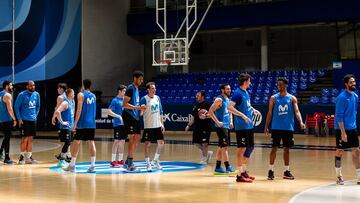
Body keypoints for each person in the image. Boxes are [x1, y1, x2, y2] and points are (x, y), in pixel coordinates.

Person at [264, 78, 305, 180]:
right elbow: (269, 112)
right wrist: (266, 126)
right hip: (276, 128)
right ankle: (271, 170)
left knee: (287, 149)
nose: (279, 86)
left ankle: (286, 171)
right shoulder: (273, 98)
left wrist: (300, 121)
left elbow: (297, 111)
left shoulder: (292, 98)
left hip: (288, 128)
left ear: (285, 85)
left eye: (281, 85)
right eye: (278, 85)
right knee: (274, 148)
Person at [208, 83, 252, 175]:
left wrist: (231, 121)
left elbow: (230, 111)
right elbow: (210, 112)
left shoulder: (228, 100)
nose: (229, 90)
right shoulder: (219, 99)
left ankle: (218, 167)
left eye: (230, 89)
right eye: (227, 89)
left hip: (227, 126)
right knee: (224, 147)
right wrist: (217, 122)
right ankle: (228, 167)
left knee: (221, 147)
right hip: (221, 127)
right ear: (222, 90)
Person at [231, 73, 260, 183]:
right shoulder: (237, 93)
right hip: (241, 126)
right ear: (245, 82)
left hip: (249, 125)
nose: (250, 83)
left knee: (250, 147)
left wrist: (253, 110)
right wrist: (242, 115)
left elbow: (247, 105)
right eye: (249, 81)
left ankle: (243, 171)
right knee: (241, 149)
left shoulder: (246, 92)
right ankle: (239, 175)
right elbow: (229, 107)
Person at [63, 79, 96, 173]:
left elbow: (79, 110)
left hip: (82, 123)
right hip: (91, 123)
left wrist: (75, 123)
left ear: (83, 85)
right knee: (91, 142)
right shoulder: (93, 96)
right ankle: (93, 165)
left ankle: (72, 165)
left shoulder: (81, 94)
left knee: (76, 142)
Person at [333, 74, 360, 185]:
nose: (353, 84)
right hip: (341, 128)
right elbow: (339, 117)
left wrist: (352, 125)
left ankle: (359, 176)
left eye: (354, 82)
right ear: (346, 84)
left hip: (352, 128)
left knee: (356, 151)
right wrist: (343, 133)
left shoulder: (355, 96)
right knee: (339, 151)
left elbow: (354, 112)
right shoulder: (342, 97)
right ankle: (338, 176)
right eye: (351, 82)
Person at [123, 71, 146, 172]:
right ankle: (130, 164)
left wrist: (140, 109)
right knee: (132, 138)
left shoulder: (137, 89)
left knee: (137, 138)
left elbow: (135, 103)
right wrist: (137, 107)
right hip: (129, 115)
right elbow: (124, 104)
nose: (141, 81)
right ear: (135, 78)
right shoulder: (130, 88)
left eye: (142, 79)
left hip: (135, 116)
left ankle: (127, 160)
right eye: (140, 79)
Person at [140, 82, 165, 172]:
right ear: (148, 89)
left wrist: (162, 124)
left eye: (155, 88)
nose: (154, 90)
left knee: (161, 143)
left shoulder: (157, 98)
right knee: (147, 145)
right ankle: (148, 163)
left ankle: (155, 160)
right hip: (148, 126)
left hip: (158, 125)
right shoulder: (144, 99)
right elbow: (141, 111)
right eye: (152, 88)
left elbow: (161, 111)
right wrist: (141, 111)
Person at [15, 80, 40, 164]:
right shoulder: (22, 95)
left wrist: (35, 115)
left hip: (33, 120)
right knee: (25, 138)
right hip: (24, 120)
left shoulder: (37, 94)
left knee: (30, 138)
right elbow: (16, 107)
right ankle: (21, 157)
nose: (32, 87)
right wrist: (19, 118)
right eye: (30, 85)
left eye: (33, 85)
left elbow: (38, 106)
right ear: (27, 86)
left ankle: (29, 158)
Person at [185, 90, 213, 164]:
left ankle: (204, 159)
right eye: (196, 95)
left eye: (198, 95)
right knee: (196, 142)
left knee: (205, 143)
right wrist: (188, 125)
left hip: (205, 127)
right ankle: (207, 153)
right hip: (197, 127)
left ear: (202, 96)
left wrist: (206, 116)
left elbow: (212, 115)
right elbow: (193, 117)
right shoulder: (196, 105)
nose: (196, 97)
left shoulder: (207, 104)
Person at [52, 88, 75, 167]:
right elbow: (57, 111)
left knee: (68, 143)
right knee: (67, 143)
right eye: (73, 93)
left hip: (70, 126)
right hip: (65, 127)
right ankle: (61, 160)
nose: (74, 94)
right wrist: (62, 122)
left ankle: (62, 158)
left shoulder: (71, 102)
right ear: (70, 94)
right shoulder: (65, 102)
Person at [107, 85, 127, 167]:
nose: (125, 93)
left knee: (122, 141)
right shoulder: (115, 100)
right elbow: (109, 111)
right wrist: (118, 116)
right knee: (116, 141)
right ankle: (112, 160)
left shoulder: (125, 100)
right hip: (117, 124)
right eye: (124, 91)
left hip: (124, 124)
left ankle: (120, 160)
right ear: (119, 91)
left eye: (125, 91)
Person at [0, 81, 17, 164]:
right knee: (7, 139)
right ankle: (7, 158)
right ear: (6, 86)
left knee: (6, 137)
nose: (12, 87)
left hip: (1, 120)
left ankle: (0, 153)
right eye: (10, 85)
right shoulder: (7, 95)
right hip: (7, 120)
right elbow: (10, 109)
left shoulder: (0, 94)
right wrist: (14, 119)